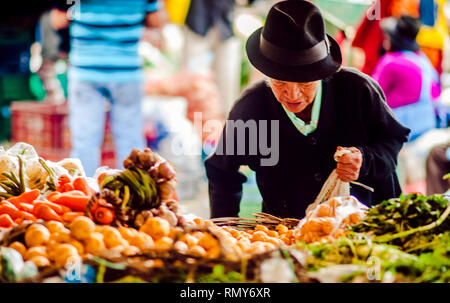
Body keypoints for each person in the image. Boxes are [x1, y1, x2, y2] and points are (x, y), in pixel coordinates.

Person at [205, 0, 410, 219]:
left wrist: (366, 160)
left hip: (369, 227)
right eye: (280, 82)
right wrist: (224, 228)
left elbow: (392, 141)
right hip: (287, 234)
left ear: (321, 73)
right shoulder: (252, 110)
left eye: (304, 83)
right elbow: (222, 172)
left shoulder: (357, 92)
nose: (292, 95)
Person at [50, 0, 167, 176]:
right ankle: (134, 194)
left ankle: (84, 195)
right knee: (130, 139)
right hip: (127, 73)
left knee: (85, 140)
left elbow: (57, 20)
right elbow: (156, 19)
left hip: (86, 71)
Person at [372, 15, 440, 142]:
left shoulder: (390, 62)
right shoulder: (423, 60)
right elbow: (436, 92)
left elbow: (372, 95)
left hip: (400, 130)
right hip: (426, 124)